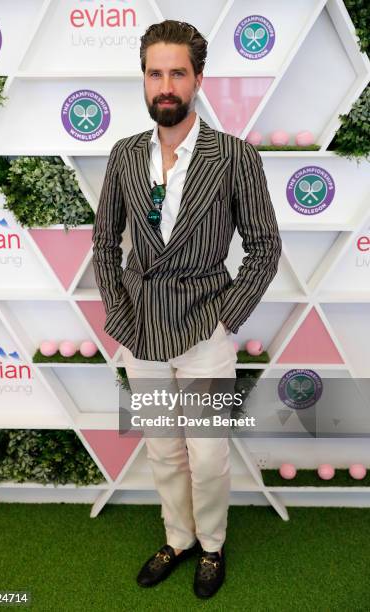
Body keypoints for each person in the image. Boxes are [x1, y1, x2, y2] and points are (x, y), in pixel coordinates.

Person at [92, 20, 282, 599]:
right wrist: (119, 315)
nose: (165, 85)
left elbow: (265, 247)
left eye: (178, 73)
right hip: (140, 329)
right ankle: (178, 538)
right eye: (156, 73)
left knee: (208, 455)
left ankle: (213, 546)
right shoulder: (124, 155)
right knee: (163, 449)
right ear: (144, 80)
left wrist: (225, 318)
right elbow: (105, 243)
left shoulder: (233, 157)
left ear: (198, 79)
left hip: (205, 328)